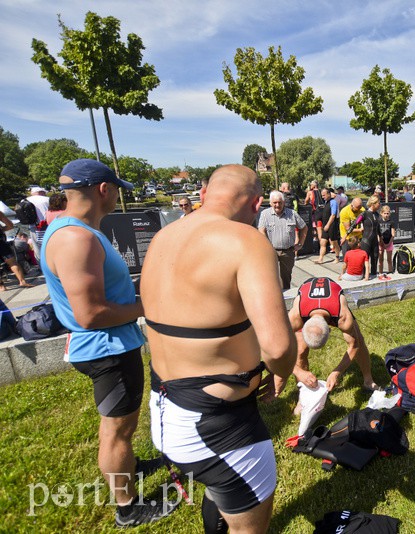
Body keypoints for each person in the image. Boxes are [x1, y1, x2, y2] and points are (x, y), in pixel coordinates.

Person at [141, 164, 296, 534]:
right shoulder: (245, 240)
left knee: (220, 495)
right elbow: (276, 345)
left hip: (165, 409)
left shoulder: (164, 237)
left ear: (205, 191)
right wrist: (282, 372)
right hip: (218, 425)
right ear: (258, 202)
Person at [41, 159, 175, 527]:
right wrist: (151, 306)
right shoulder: (75, 239)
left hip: (111, 344)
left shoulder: (77, 231)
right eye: (116, 189)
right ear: (104, 189)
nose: (117, 196)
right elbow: (91, 314)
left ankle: (128, 466)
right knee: (118, 431)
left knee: (117, 428)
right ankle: (128, 507)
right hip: (107, 349)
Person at [273, 276, 378, 397]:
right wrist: (299, 372)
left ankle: (368, 381)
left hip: (332, 297)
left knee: (358, 339)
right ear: (302, 326)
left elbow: (354, 346)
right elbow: (277, 351)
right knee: (300, 351)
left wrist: (336, 372)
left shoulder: (342, 316)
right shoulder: (295, 317)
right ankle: (304, 392)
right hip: (307, 295)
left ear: (330, 329)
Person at [258, 190, 308, 290]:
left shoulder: (292, 214)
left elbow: (304, 227)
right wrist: (267, 247)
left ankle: (286, 299)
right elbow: (261, 231)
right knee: (271, 277)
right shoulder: (265, 214)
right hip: (271, 252)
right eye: (275, 202)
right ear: (270, 203)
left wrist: (300, 244)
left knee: (286, 278)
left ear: (284, 202)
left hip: (288, 252)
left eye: (280, 202)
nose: (277, 205)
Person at [0, 212, 34, 290]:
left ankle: (1, 286)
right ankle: (22, 281)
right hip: (1, 242)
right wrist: (2, 229)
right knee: (12, 262)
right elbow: (10, 225)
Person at [24, 186, 50, 260]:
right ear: (41, 192)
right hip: (47, 226)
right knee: (50, 245)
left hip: (33, 227)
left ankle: (42, 266)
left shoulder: (25, 200)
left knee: (38, 249)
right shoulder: (47, 199)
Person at [316, 188, 340, 264]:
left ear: (329, 194)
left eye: (324, 195)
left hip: (332, 225)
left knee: (334, 242)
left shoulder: (333, 202)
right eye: (322, 195)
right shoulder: (326, 202)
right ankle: (320, 258)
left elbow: (333, 215)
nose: (322, 197)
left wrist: (328, 225)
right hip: (325, 225)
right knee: (322, 242)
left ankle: (337, 257)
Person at [359, 195, 381, 277]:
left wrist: (381, 238)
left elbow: (378, 228)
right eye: (378, 203)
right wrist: (346, 235)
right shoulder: (364, 214)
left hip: (375, 240)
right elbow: (354, 223)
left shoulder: (377, 214)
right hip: (366, 240)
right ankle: (364, 275)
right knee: (365, 258)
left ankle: (374, 274)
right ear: (373, 204)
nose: (379, 205)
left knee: (375, 257)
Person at [377, 204, 397, 279]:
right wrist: (380, 242)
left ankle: (390, 271)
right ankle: (380, 272)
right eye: (384, 213)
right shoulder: (378, 221)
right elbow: (378, 233)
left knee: (389, 259)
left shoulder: (391, 222)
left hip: (389, 242)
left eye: (387, 213)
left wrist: (389, 243)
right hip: (381, 243)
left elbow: (393, 234)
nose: (386, 215)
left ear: (389, 214)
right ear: (381, 213)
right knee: (381, 259)